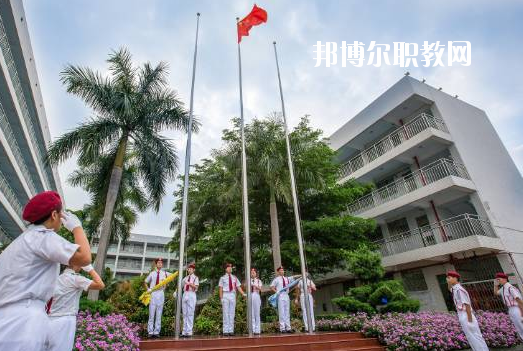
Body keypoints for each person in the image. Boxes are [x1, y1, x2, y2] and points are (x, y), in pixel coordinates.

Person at [0, 191, 91, 351]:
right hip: (24, 319)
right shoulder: (43, 237)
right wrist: (77, 228)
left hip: (8, 316)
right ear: (54, 215)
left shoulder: (20, 242)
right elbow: (84, 257)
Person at [46, 264, 105, 351]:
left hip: (50, 319)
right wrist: (90, 269)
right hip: (65, 320)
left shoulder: (58, 278)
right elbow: (100, 284)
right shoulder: (75, 278)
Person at [446, 271, 488, 351]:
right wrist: (449, 282)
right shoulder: (455, 288)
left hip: (466, 314)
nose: (448, 279)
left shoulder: (459, 290)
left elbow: (467, 305)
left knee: (476, 337)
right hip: (462, 314)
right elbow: (449, 288)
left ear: (455, 278)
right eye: (447, 278)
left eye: (449, 278)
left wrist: (470, 320)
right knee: (471, 337)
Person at [144, 258, 170, 338]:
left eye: (161, 263)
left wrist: (165, 285)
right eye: (158, 263)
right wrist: (148, 289)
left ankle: (156, 332)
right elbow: (145, 282)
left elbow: (171, 278)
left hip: (161, 293)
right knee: (152, 313)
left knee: (159, 313)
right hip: (153, 293)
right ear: (156, 264)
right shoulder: (152, 273)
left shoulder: (165, 273)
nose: (160, 264)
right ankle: (150, 332)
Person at [219, 263, 246, 336]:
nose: (230, 268)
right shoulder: (222, 278)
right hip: (225, 294)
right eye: (228, 267)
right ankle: (225, 330)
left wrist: (243, 293)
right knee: (225, 313)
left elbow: (238, 287)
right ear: (225, 269)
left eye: (231, 267)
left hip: (232, 295)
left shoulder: (234, 277)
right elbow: (220, 289)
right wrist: (221, 298)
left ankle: (231, 330)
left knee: (232, 313)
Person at [494, 272, 523, 339]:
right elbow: (496, 293)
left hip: (517, 309)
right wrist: (495, 285)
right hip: (511, 310)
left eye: (499, 279)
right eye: (497, 279)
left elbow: (519, 301)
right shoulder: (503, 288)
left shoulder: (510, 288)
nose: (498, 281)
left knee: (521, 326)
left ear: (505, 279)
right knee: (519, 328)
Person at [270, 266, 295, 333]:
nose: (282, 271)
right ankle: (282, 328)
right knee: (282, 312)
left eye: (283, 270)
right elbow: (271, 287)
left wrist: (302, 275)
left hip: (286, 295)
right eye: (280, 270)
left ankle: (288, 328)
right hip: (280, 295)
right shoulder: (276, 279)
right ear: (278, 272)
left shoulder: (287, 278)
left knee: (287, 311)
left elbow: (294, 277)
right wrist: (276, 292)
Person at [181, 263, 199, 337]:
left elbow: (196, 287)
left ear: (194, 270)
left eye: (191, 269)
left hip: (191, 294)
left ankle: (189, 331)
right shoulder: (185, 278)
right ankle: (184, 331)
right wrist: (176, 292)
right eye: (189, 269)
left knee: (190, 313)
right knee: (185, 313)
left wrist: (189, 283)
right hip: (185, 294)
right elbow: (181, 286)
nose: (189, 270)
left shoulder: (195, 278)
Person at [250, 268, 263, 335]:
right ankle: (253, 329)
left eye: (253, 272)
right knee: (251, 313)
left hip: (256, 295)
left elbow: (260, 289)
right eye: (251, 272)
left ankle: (257, 330)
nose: (252, 273)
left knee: (257, 313)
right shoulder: (248, 280)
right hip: (250, 295)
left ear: (256, 274)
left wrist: (254, 285)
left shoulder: (258, 281)